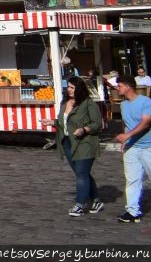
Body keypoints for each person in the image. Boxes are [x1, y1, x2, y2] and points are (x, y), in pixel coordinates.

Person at [110, 73, 151, 223]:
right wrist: (126, 138)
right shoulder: (124, 105)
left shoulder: (146, 102)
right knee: (132, 180)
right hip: (132, 147)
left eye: (119, 86)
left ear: (127, 87)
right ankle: (132, 212)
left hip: (149, 147)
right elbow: (126, 123)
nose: (117, 88)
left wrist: (128, 135)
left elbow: (146, 122)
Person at [52, 77, 104, 216]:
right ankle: (96, 200)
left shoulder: (88, 104)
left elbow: (97, 124)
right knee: (82, 173)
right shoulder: (65, 102)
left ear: (79, 89)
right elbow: (64, 121)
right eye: (68, 87)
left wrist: (84, 129)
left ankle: (80, 204)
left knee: (81, 174)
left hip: (84, 142)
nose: (68, 89)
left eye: (72, 87)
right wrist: (52, 122)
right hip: (68, 142)